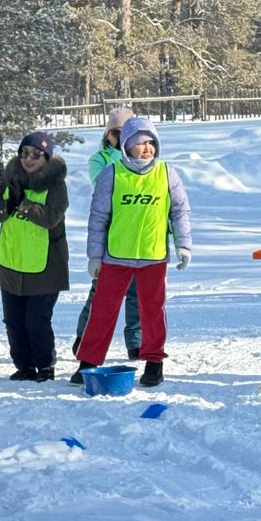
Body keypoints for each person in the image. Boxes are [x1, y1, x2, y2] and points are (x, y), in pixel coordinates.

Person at [73, 115, 191, 389]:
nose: (147, 148)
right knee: (102, 310)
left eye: (151, 142)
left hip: (153, 256)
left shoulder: (166, 173)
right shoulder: (111, 174)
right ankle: (88, 362)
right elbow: (98, 217)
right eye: (140, 143)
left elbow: (179, 211)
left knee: (152, 310)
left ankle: (154, 362)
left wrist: (183, 244)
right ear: (126, 145)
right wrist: (94, 255)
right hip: (116, 256)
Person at [0, 130, 70, 382]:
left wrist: (24, 204)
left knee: (36, 320)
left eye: (36, 155)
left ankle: (44, 366)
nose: (29, 159)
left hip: (44, 265)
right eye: (24, 153)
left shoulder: (56, 185)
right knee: (13, 320)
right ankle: (23, 365)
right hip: (10, 261)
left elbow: (51, 218)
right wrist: (6, 205)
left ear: (46, 158)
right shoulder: (11, 179)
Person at [72, 106, 143, 358]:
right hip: (112, 235)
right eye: (115, 132)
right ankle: (85, 337)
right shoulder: (101, 159)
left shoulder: (144, 157)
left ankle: (136, 342)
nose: (120, 137)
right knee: (102, 292)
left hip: (138, 235)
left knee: (137, 294)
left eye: (126, 132)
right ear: (108, 135)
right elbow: (105, 187)